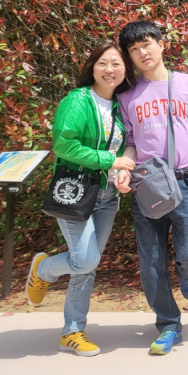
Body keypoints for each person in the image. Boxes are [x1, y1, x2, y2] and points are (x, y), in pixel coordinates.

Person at [114, 21, 188, 355]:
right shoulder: (127, 95)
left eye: (146, 44)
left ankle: (187, 272)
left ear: (162, 44)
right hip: (148, 183)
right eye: (134, 49)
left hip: (187, 179)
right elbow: (131, 142)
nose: (142, 53)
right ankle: (168, 325)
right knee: (151, 263)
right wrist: (123, 169)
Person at [25, 43, 136, 356]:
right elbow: (64, 145)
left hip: (107, 195)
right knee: (85, 260)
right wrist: (109, 161)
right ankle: (43, 269)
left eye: (116, 63)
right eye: (103, 63)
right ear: (92, 67)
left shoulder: (122, 106)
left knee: (88, 265)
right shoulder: (77, 100)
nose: (110, 69)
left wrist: (121, 173)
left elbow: (124, 149)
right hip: (75, 190)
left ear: (125, 70)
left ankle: (72, 332)